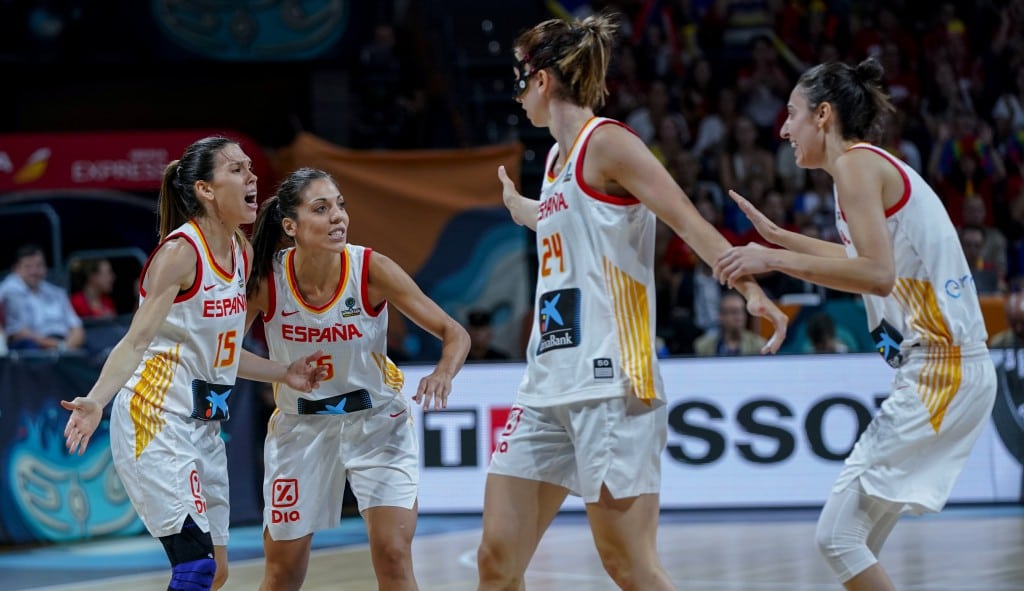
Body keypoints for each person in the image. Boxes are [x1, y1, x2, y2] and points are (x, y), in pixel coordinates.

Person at [478, 12, 788, 591]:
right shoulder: (553, 162)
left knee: (628, 566)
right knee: (497, 560)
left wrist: (748, 287)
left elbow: (687, 219)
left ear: (542, 80)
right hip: (547, 382)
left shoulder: (610, 142)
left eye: (519, 81)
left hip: (613, 380)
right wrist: (522, 208)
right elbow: (559, 225)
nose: (516, 96)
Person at [714, 57, 997, 591]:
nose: (783, 128)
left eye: (791, 114)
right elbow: (858, 259)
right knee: (854, 541)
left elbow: (876, 275)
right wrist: (779, 238)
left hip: (943, 371)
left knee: (837, 538)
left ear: (823, 115)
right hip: (950, 370)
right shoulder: (865, 168)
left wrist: (772, 261)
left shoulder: (855, 168)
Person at [61, 136, 327, 591]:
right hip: (155, 415)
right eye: (237, 170)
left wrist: (282, 371)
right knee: (197, 568)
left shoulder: (241, 253)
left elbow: (222, 355)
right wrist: (95, 401)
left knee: (216, 571)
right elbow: (135, 341)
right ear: (206, 190)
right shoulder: (180, 253)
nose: (252, 176)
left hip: (203, 426)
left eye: (250, 167)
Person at [245, 167, 470, 591]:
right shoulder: (267, 280)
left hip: (377, 424)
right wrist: (280, 373)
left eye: (340, 206)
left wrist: (443, 372)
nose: (338, 217)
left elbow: (454, 333)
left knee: (392, 554)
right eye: (321, 208)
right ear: (290, 225)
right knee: (282, 573)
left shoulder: (370, 269)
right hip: (301, 429)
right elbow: (223, 353)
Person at [0, 244, 85, 352]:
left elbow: (77, 328)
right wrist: (57, 346)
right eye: (28, 267)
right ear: (16, 269)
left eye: (39, 266)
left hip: (65, 344)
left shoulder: (56, 292)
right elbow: (17, 333)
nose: (34, 271)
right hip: (35, 348)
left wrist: (67, 346)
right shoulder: (8, 291)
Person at [692, 290, 766, 356]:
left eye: (742, 311)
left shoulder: (759, 345)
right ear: (721, 316)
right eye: (734, 312)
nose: (739, 317)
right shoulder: (703, 346)